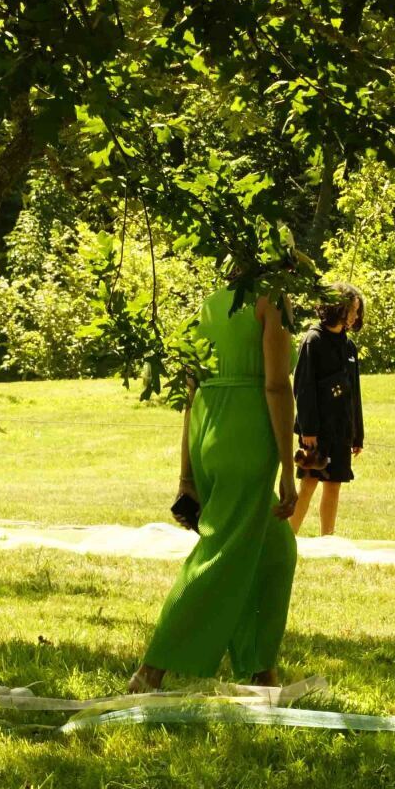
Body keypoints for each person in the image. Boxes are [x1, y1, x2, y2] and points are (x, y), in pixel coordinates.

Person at [128, 281, 300, 692]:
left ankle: (260, 670)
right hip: (246, 435)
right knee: (220, 554)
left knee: (275, 550)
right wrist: (287, 468)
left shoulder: (207, 306)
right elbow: (277, 386)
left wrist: (187, 475)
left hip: (208, 433)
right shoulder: (272, 300)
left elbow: (191, 397)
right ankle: (152, 669)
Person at [291, 283, 365, 536]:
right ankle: (288, 537)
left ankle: (327, 540)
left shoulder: (349, 347)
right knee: (309, 484)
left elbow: (354, 394)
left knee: (334, 485)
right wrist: (308, 430)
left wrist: (357, 434)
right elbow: (303, 388)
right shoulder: (313, 340)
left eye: (357, 310)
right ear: (337, 307)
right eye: (351, 310)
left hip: (341, 430)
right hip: (317, 432)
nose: (355, 316)